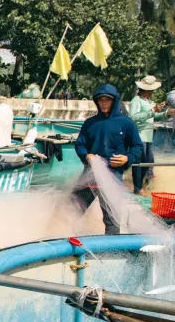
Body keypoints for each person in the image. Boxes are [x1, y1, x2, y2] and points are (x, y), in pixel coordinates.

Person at [71, 84, 144, 234]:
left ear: (114, 101)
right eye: (101, 100)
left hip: (113, 176)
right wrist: (87, 155)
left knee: (111, 217)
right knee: (72, 208)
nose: (103, 103)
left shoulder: (126, 123)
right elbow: (80, 144)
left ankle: (111, 250)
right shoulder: (90, 123)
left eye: (107, 100)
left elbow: (137, 147)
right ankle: (65, 241)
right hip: (90, 174)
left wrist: (127, 158)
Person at [129, 75, 174, 194]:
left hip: (148, 137)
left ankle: (143, 186)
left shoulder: (148, 102)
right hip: (139, 135)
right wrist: (152, 111)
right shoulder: (136, 101)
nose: (153, 92)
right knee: (139, 163)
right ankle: (138, 188)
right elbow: (133, 118)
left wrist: (166, 113)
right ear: (145, 90)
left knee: (148, 162)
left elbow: (154, 117)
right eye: (151, 90)